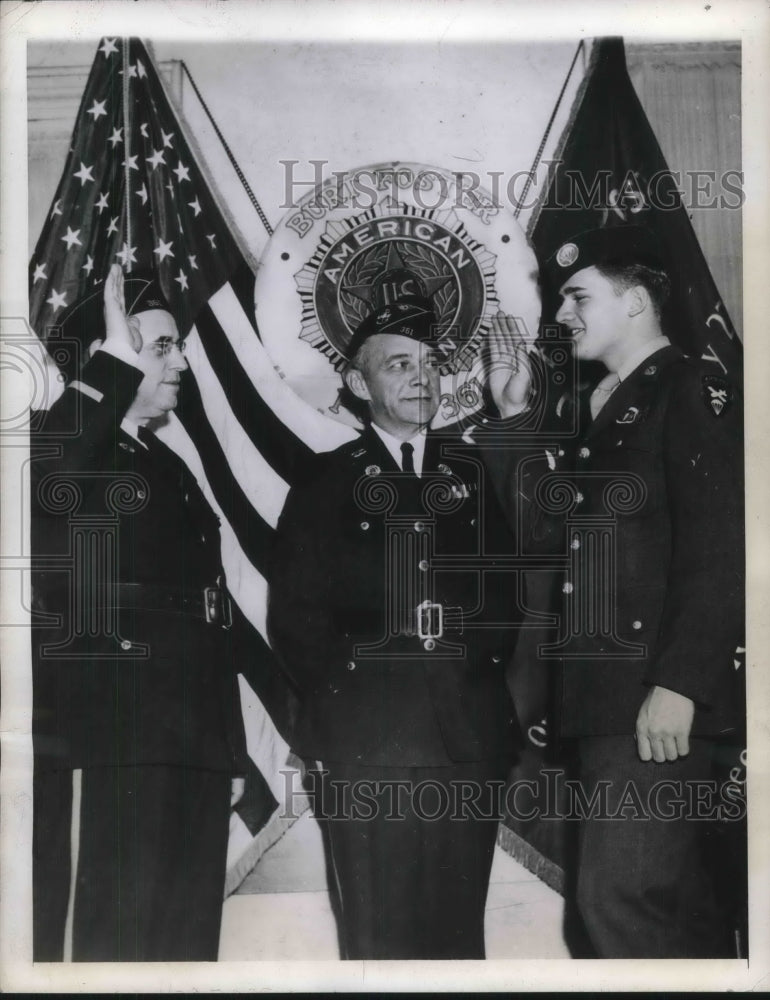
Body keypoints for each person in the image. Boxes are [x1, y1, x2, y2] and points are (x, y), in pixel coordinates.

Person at [488, 225, 744, 957]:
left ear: (634, 303)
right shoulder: (604, 404)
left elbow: (721, 550)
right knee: (671, 907)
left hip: (653, 704)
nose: (561, 315)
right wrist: (511, 420)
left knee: (619, 897)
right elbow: (545, 533)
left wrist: (681, 684)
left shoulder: (692, 388)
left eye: (577, 296)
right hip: (607, 703)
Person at [267, 295, 523, 959]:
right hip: (366, 745)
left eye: (432, 364)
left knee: (458, 938)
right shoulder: (324, 482)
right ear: (358, 384)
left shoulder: (471, 473)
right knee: (378, 937)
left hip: (465, 739)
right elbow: (297, 620)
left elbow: (510, 598)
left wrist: (468, 676)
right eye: (400, 365)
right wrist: (352, 705)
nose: (422, 378)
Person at [31, 265, 247, 961]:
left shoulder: (167, 466)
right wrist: (115, 365)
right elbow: (51, 475)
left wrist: (231, 741)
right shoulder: (68, 450)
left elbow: (207, 611)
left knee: (185, 945)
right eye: (158, 347)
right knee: (113, 939)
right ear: (107, 361)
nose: (180, 360)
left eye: (173, 345)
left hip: (192, 730)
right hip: (115, 726)